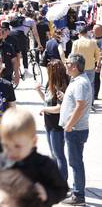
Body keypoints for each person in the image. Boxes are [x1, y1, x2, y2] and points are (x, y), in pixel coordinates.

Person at [0, 108, 68, 207]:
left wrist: (47, 194)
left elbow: (62, 189)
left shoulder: (44, 164)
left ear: (33, 141)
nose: (11, 151)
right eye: (6, 146)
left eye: (17, 146)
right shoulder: (0, 161)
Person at [59, 53, 92, 206]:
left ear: (74, 66)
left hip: (76, 130)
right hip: (75, 128)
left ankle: (78, 196)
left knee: (76, 163)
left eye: (67, 63)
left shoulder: (80, 83)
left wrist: (70, 125)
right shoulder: (77, 81)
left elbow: (80, 106)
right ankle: (77, 193)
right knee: (76, 161)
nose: (65, 65)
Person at [35, 59, 69, 181]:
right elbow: (47, 101)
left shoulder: (61, 86)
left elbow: (59, 108)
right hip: (48, 124)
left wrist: (45, 110)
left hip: (57, 125)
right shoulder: (50, 83)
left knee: (59, 155)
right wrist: (39, 91)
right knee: (53, 154)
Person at [71, 25, 101, 107]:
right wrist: (93, 61)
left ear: (79, 33)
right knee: (90, 85)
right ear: (87, 32)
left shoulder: (76, 43)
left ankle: (77, 103)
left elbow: (73, 56)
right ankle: (90, 103)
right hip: (90, 67)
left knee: (77, 85)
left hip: (78, 68)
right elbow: (98, 55)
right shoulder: (93, 42)